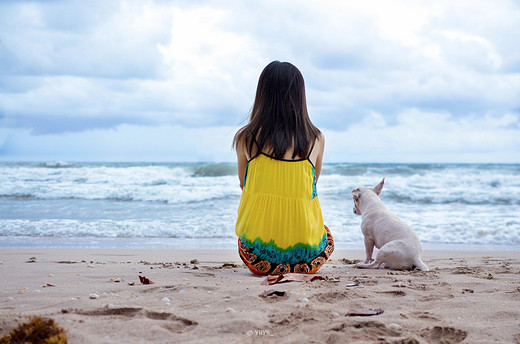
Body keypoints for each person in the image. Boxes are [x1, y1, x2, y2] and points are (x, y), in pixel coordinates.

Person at [233, 61, 334, 275]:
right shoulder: (316, 139)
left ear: (262, 95)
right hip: (308, 259)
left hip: (258, 256)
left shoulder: (245, 138)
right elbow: (311, 186)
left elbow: (244, 184)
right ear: (300, 96)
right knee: (325, 233)